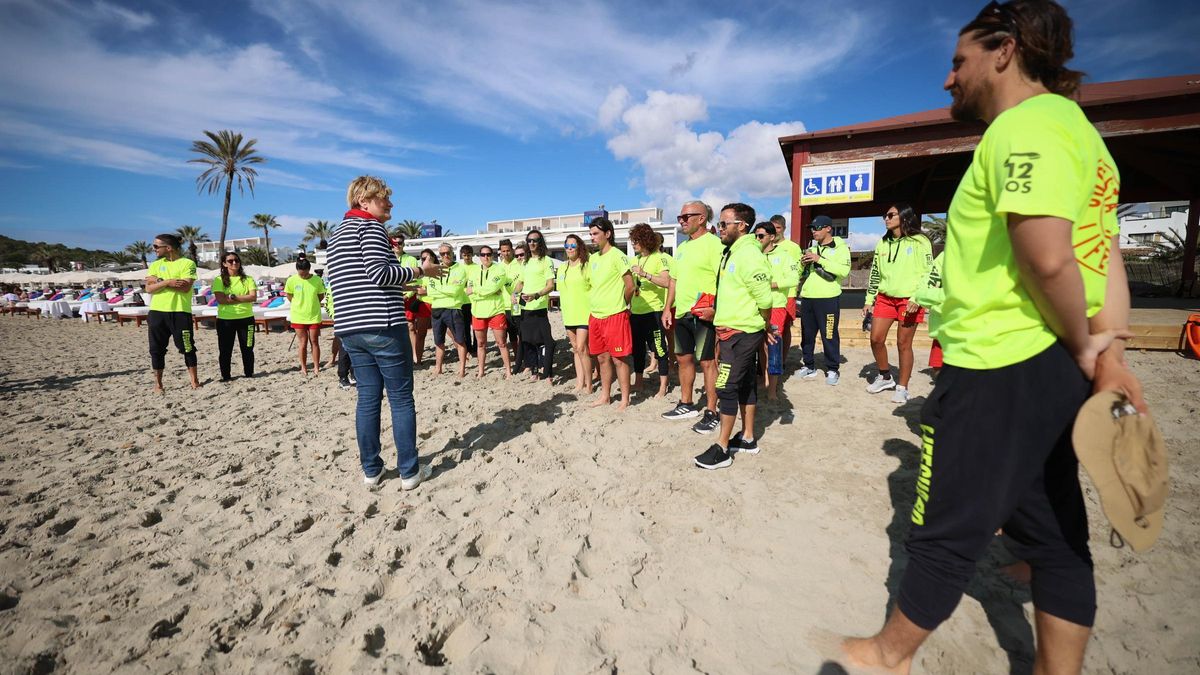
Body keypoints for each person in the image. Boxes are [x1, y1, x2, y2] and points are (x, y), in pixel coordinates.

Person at [841, 2, 1146, 672]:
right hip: (1051, 369)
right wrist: (1107, 350)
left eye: (958, 61)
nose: (949, 79)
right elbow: (1108, 257)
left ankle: (888, 654)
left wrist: (1084, 344)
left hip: (1003, 359)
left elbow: (1048, 256)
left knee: (947, 526)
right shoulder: (1087, 141)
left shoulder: (1024, 127)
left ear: (1004, 51)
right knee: (1054, 533)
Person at [326, 175, 440, 491]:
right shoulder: (371, 228)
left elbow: (351, 279)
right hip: (382, 323)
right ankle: (408, 473)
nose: (390, 203)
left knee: (368, 398)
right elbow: (380, 273)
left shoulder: (337, 235)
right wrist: (420, 271)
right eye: (383, 198)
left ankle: (371, 471)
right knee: (401, 398)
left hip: (350, 327)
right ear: (364, 202)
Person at [693, 204, 774, 470]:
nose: (720, 229)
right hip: (733, 328)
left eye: (724, 224)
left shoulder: (749, 254)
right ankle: (748, 437)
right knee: (745, 384)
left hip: (741, 332)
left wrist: (762, 326)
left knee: (725, 386)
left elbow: (765, 298)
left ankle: (722, 447)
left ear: (741, 225)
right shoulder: (733, 252)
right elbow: (739, 292)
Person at [661, 201, 724, 434]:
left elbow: (723, 279)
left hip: (704, 312)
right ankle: (686, 403)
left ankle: (711, 411)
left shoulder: (714, 244)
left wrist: (716, 308)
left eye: (686, 216)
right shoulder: (683, 247)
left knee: (708, 362)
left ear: (702, 218)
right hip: (683, 312)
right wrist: (668, 308)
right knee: (683, 358)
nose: (681, 220)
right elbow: (673, 281)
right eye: (680, 216)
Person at [863, 202, 933, 403]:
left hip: (909, 300)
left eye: (890, 215)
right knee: (876, 339)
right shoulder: (882, 243)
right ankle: (885, 377)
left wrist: (917, 298)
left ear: (904, 217)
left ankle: (902, 388)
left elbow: (928, 272)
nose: (886, 218)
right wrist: (869, 299)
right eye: (885, 215)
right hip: (885, 298)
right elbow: (875, 273)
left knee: (904, 344)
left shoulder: (920, 241)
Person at [587, 217, 635, 410]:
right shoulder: (593, 258)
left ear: (607, 234)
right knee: (601, 358)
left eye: (595, 234)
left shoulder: (618, 255)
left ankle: (625, 398)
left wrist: (623, 304)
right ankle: (605, 395)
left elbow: (630, 286)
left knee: (619, 359)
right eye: (590, 234)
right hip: (595, 315)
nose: (592, 237)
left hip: (615, 315)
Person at [797, 215, 851, 385]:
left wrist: (820, 260)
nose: (814, 231)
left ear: (828, 228)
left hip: (828, 298)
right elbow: (800, 274)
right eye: (812, 228)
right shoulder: (811, 248)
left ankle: (832, 369)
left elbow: (844, 271)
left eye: (817, 227)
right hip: (808, 297)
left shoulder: (840, 248)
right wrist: (802, 264)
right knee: (807, 334)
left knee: (829, 334)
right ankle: (809, 365)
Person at [144, 233, 200, 391]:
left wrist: (159, 282)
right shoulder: (155, 265)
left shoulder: (187, 263)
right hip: (157, 312)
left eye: (156, 246)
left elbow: (185, 287)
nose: (153, 249)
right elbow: (149, 288)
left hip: (180, 312)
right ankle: (158, 384)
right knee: (156, 349)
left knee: (187, 347)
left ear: (168, 248)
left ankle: (194, 381)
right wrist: (168, 281)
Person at [754, 221, 799, 400]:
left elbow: (794, 279)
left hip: (776, 307)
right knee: (760, 346)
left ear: (772, 237)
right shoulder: (754, 255)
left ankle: (773, 389)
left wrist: (771, 285)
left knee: (772, 346)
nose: (757, 239)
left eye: (761, 236)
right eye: (755, 235)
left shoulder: (785, 255)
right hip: (755, 306)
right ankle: (764, 378)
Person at [629, 223, 672, 398]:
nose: (633, 244)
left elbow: (666, 282)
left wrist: (645, 274)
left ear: (645, 240)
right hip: (636, 312)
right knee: (638, 350)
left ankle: (663, 385)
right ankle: (638, 381)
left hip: (654, 311)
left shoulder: (659, 258)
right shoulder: (634, 260)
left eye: (636, 240)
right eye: (632, 241)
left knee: (659, 349)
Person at [513, 229, 555, 381]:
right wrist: (514, 294)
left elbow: (551, 285)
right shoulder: (526, 262)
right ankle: (534, 371)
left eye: (535, 240)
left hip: (539, 306)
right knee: (527, 341)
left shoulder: (546, 260)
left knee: (545, 342)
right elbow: (521, 283)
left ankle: (548, 371)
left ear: (540, 242)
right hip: (525, 306)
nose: (531, 243)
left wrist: (536, 295)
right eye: (529, 240)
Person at [465, 245, 513, 378]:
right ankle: (481, 371)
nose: (486, 257)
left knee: (502, 343)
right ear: (479, 256)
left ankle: (508, 371)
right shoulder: (473, 272)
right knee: (480, 344)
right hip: (477, 312)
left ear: (493, 255)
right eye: (483, 254)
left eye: (488, 254)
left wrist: (476, 290)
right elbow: (469, 292)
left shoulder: (499, 270)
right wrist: (483, 291)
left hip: (496, 311)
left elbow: (491, 288)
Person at [211, 251, 257, 382]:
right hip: (225, 320)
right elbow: (221, 299)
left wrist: (233, 297)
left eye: (236, 260)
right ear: (224, 264)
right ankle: (226, 376)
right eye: (230, 261)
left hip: (246, 318)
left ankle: (249, 374)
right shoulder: (219, 280)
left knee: (248, 348)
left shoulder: (248, 279)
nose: (234, 263)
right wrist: (243, 298)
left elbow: (253, 297)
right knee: (225, 350)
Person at [556, 233, 593, 393]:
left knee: (582, 348)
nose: (569, 249)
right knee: (575, 349)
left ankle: (589, 384)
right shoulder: (562, 267)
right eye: (567, 246)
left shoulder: (586, 265)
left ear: (579, 247)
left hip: (584, 312)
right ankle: (580, 382)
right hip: (569, 313)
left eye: (573, 246)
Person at [425, 244, 469, 377]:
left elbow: (456, 291)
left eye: (448, 253)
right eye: (443, 253)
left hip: (453, 308)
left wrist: (440, 290)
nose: (446, 255)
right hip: (437, 308)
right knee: (439, 342)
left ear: (452, 253)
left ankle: (462, 369)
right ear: (439, 255)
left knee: (460, 340)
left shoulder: (460, 269)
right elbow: (431, 291)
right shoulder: (434, 270)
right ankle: (438, 368)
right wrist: (446, 290)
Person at [769, 214, 804, 361]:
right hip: (768, 294)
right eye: (773, 228)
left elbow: (798, 270)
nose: (775, 231)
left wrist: (783, 285)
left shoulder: (793, 247)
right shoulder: (764, 245)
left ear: (784, 228)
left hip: (787, 293)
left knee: (785, 328)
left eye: (778, 228)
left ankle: (782, 360)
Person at [284, 256, 326, 376]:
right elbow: (289, 295)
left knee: (314, 341)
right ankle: (303, 367)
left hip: (313, 315)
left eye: (306, 273)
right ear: (297, 270)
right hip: (298, 315)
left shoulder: (317, 280)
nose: (303, 276)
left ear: (309, 270)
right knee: (303, 342)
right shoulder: (292, 280)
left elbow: (320, 296)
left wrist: (311, 303)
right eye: (301, 274)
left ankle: (316, 367)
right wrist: (298, 304)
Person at [393, 234, 427, 363]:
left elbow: (415, 281)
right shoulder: (386, 259)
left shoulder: (411, 259)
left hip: (408, 298)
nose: (397, 245)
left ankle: (414, 355)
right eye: (395, 243)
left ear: (404, 244)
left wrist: (407, 296)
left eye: (400, 242)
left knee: (410, 327)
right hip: (393, 298)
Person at [497, 240, 525, 373]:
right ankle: (517, 358)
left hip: (518, 305)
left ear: (512, 250)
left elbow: (523, 282)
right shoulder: (498, 267)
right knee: (511, 336)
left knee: (521, 334)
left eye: (508, 250)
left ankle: (524, 359)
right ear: (500, 252)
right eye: (503, 251)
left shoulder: (519, 263)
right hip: (503, 307)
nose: (506, 253)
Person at [408, 248, 437, 364]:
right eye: (423, 258)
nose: (426, 260)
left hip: (437, 303)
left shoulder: (439, 270)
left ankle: (465, 356)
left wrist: (426, 290)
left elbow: (441, 288)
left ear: (433, 258)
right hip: (423, 305)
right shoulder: (421, 273)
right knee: (421, 334)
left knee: (449, 332)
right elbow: (417, 289)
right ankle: (418, 360)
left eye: (428, 257)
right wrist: (426, 290)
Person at [455, 244, 480, 355]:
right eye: (464, 255)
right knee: (465, 327)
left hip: (475, 300)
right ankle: (468, 347)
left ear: (472, 255)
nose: (466, 257)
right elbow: (456, 282)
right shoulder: (458, 267)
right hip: (463, 301)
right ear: (461, 255)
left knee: (476, 326)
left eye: (468, 255)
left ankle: (476, 347)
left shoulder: (478, 267)